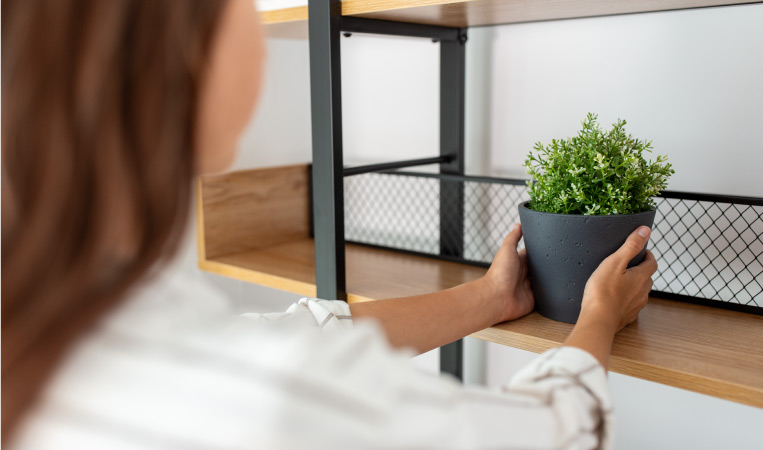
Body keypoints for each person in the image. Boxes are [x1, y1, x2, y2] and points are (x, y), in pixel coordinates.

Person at [1, 1, 658, 448]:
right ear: (174, 44)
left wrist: (488, 297)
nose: (255, 35)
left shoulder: (52, 315)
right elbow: (550, 429)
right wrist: (598, 313)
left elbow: (295, 335)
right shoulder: (256, 396)